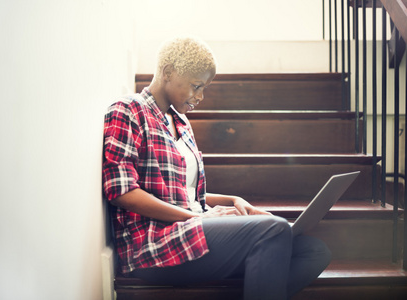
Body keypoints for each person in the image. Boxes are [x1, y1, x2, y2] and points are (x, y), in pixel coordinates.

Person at [102, 36, 331, 300]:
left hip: (194, 229)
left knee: (313, 250)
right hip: (154, 244)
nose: (200, 96)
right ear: (167, 73)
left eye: (204, 88)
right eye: (196, 86)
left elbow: (185, 191)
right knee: (273, 230)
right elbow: (121, 192)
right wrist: (197, 218)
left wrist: (233, 200)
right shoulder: (128, 110)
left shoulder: (181, 123)